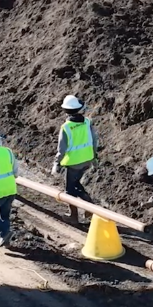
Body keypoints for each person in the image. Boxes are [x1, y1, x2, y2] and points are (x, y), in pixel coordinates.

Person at [50, 94, 99, 223]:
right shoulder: (87, 122)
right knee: (76, 184)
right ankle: (89, 207)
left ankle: (75, 216)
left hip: (73, 163)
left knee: (69, 190)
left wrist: (57, 164)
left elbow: (62, 149)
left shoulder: (66, 127)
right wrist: (94, 158)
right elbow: (94, 140)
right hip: (86, 160)